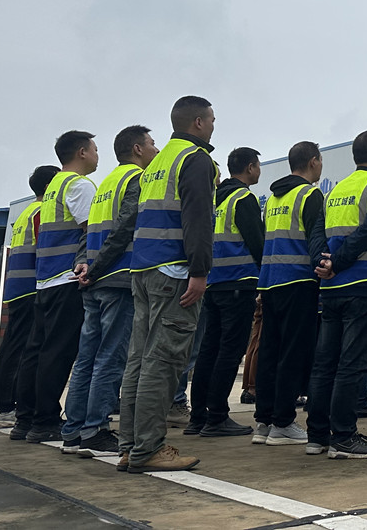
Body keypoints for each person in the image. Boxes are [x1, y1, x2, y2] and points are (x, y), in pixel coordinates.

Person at [118, 95, 219, 473]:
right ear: (198, 122)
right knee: (163, 363)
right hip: (174, 273)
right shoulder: (195, 159)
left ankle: (131, 446)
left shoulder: (156, 163)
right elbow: (198, 218)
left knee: (139, 361)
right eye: (211, 120)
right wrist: (200, 271)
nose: (213, 126)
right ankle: (148, 449)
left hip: (143, 271)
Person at [61, 126, 159, 457]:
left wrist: (84, 264)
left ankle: (73, 431)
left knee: (87, 357)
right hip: (116, 280)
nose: (156, 149)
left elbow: (90, 230)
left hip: (93, 280)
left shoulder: (105, 183)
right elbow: (124, 228)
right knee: (110, 357)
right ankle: (95, 430)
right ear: (137, 149)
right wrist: (98, 266)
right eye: (152, 143)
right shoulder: (136, 179)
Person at [306, 130, 367, 460]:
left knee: (325, 364)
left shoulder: (335, 191)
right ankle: (344, 436)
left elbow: (316, 233)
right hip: (366, 284)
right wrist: (339, 262)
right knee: (353, 363)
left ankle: (317, 436)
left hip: (332, 288)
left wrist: (323, 264)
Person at [14, 131, 99, 443]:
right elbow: (92, 231)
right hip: (68, 277)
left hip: (46, 280)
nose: (97, 155)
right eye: (94, 149)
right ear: (81, 152)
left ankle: (26, 419)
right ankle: (46, 420)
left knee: (37, 350)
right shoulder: (79, 185)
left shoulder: (52, 189)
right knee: (58, 353)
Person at [252, 141, 327, 446]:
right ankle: (283, 422)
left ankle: (264, 421)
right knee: (293, 354)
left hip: (271, 282)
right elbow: (316, 240)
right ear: (313, 162)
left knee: (270, 352)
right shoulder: (310, 195)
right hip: (298, 281)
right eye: (320, 160)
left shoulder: (273, 198)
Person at [187, 147, 264, 437]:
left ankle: (199, 416)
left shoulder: (217, 199)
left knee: (209, 349)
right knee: (230, 351)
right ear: (250, 167)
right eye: (257, 165)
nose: (259, 170)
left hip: (213, 282)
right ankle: (217, 416)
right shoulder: (243, 198)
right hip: (238, 282)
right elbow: (257, 243)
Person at [0, 166, 59, 428]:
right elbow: (44, 247)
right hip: (31, 285)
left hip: (17, 285)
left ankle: (4, 405)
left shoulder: (25, 213)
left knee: (12, 345)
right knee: (20, 348)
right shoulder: (41, 211)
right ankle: (6, 407)